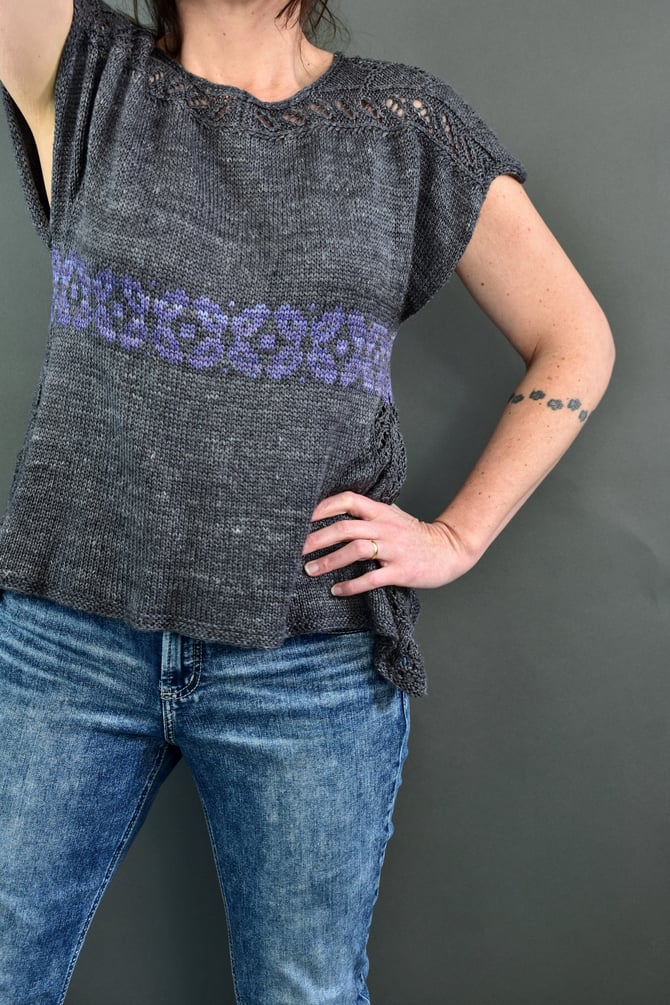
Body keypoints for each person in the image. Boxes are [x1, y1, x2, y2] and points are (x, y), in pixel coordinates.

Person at [0, 0, 615, 1002]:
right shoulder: (80, 66)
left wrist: (457, 536)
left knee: (304, 992)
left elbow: (576, 340)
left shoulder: (408, 127)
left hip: (306, 664)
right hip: (68, 639)